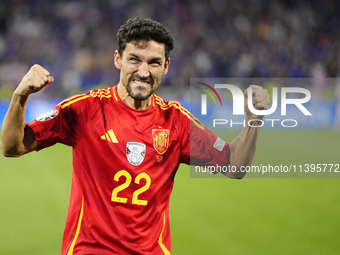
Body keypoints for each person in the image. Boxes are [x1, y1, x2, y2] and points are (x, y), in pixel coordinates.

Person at [0, 17, 270, 254]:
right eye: (134, 59)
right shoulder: (85, 109)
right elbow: (12, 147)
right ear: (117, 58)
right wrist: (19, 95)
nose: (143, 71)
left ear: (165, 67)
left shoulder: (175, 121)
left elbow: (234, 165)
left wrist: (254, 118)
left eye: (154, 63)